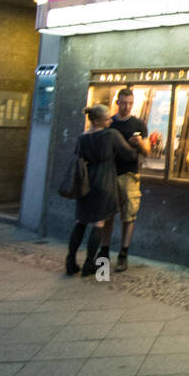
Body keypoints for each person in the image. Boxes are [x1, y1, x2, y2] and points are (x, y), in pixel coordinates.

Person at [66, 104, 138, 277]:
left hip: (85, 182)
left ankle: (70, 260)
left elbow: (77, 157)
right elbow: (129, 154)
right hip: (104, 181)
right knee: (99, 223)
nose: (110, 121)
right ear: (97, 120)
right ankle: (89, 264)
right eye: (107, 119)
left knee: (81, 221)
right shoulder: (111, 135)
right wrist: (136, 144)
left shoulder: (82, 137)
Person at [104, 87, 150, 272]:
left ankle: (123, 254)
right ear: (117, 102)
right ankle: (104, 252)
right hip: (109, 174)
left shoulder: (138, 124)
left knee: (129, 216)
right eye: (123, 103)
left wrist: (139, 144)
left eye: (130, 103)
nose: (126, 107)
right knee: (108, 215)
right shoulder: (109, 123)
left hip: (130, 175)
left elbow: (147, 152)